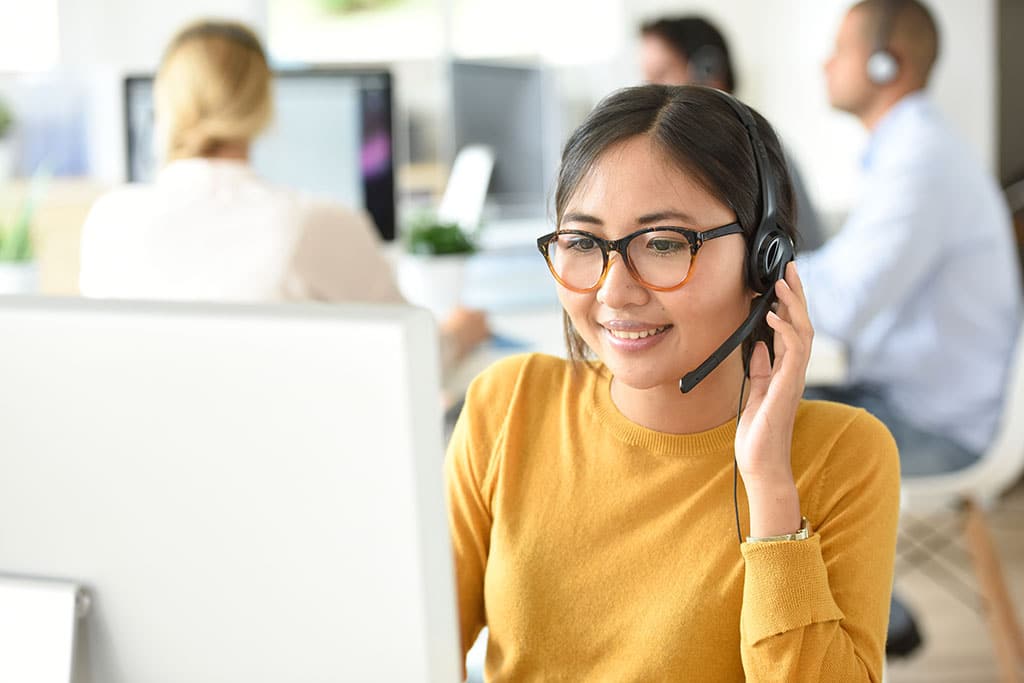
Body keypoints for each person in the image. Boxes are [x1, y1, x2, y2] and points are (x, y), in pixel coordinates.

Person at [446, 84, 899, 681]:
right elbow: (410, 641)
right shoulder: (506, 403)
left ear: (765, 258)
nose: (612, 291)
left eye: (662, 243)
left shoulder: (844, 455)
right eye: (582, 242)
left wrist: (769, 489)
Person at [802, 0, 1023, 656]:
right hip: (915, 401)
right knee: (751, 410)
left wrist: (739, 277)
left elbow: (840, 303)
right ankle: (859, 608)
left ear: (883, 61)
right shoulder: (906, 151)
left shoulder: (919, 160)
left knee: (747, 430)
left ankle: (850, 623)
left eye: (840, 48)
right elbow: (840, 274)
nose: (826, 63)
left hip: (941, 429)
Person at [78, 20, 488, 369]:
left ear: (162, 104)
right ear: (263, 105)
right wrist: (459, 333)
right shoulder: (312, 223)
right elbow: (415, 354)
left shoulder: (108, 221)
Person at [639, 15, 829, 252]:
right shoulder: (654, 156)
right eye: (647, 79)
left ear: (707, 70)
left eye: (661, 73)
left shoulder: (760, 154)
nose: (649, 91)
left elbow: (808, 254)